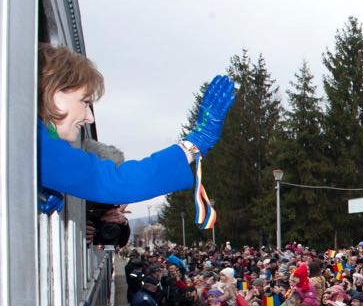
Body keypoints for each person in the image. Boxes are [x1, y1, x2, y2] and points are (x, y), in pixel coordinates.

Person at [36, 44, 234, 207]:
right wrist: (196, 142)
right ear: (55, 92)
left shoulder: (37, 142)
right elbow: (117, 182)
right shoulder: (38, 145)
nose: (89, 117)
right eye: (85, 101)